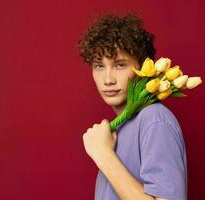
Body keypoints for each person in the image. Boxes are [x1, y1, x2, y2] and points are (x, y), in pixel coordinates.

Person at [78, 12, 188, 200]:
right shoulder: (120, 127)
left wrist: (104, 155)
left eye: (120, 65)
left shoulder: (154, 119)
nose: (108, 79)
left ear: (143, 68)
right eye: (99, 66)